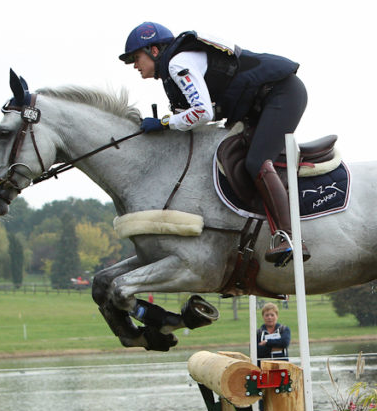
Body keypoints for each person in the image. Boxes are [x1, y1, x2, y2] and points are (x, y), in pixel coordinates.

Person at [119, 22, 310, 264]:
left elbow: (202, 113)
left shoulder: (178, 64)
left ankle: (290, 236)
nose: (135, 66)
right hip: (259, 105)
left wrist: (165, 123)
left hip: (282, 93)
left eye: (136, 58)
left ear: (154, 51)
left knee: (255, 161)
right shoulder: (172, 72)